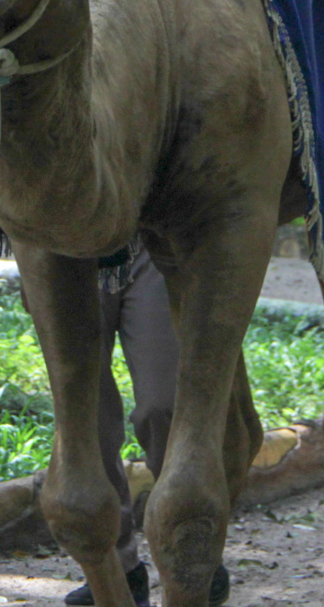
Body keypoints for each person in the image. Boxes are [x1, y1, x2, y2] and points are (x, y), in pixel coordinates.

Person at [64, 244, 229, 607]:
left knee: (164, 406)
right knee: (89, 418)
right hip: (72, 247)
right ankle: (118, 566)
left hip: (151, 243)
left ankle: (191, 542)